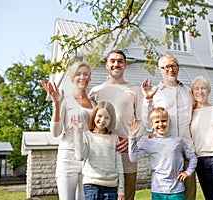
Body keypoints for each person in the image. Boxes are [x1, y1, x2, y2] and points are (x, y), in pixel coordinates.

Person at [88, 49, 146, 200]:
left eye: (120, 61)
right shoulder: (96, 91)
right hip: (102, 158)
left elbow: (143, 121)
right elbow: (90, 123)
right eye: (112, 61)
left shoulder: (135, 91)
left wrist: (131, 141)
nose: (116, 64)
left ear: (125, 65)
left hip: (126, 155)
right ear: (106, 65)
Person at [141, 54, 197, 200]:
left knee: (189, 195)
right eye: (166, 67)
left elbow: (198, 112)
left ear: (178, 68)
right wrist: (147, 100)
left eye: (173, 65)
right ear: (160, 70)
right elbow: (146, 121)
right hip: (166, 156)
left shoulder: (188, 91)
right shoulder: (154, 92)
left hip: (187, 150)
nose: (170, 69)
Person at [41, 61, 93, 200]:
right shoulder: (64, 99)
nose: (82, 77)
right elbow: (55, 132)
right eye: (78, 74)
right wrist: (56, 104)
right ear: (72, 78)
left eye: (85, 74)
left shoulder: (93, 102)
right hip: (68, 157)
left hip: (88, 158)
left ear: (90, 77)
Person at [128, 107, 197, 200]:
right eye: (157, 122)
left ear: (169, 121)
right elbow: (133, 158)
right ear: (152, 124)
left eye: (164, 121)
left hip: (177, 191)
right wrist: (132, 137)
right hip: (158, 191)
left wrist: (188, 172)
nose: (160, 124)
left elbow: (193, 157)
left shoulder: (178, 141)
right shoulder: (149, 142)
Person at [72, 101, 125, 200]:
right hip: (92, 186)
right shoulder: (86, 136)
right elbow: (80, 156)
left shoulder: (114, 138)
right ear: (94, 116)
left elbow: (119, 165)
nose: (102, 120)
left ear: (111, 120)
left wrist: (121, 190)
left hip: (111, 187)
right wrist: (78, 132)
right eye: (99, 116)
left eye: (107, 117)